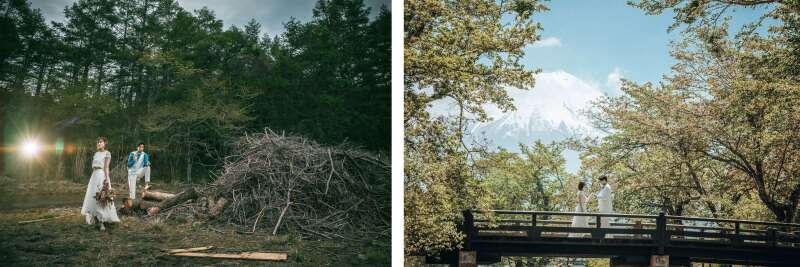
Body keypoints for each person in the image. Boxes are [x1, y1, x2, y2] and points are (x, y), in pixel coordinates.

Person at [80, 137, 120, 230]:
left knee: (102, 197)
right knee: (93, 196)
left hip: (102, 175)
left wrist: (106, 179)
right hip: (94, 175)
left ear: (105, 143)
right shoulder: (96, 153)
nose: (98, 143)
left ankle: (102, 220)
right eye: (97, 142)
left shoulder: (107, 153)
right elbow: (93, 166)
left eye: (100, 142)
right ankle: (94, 217)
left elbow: (106, 167)